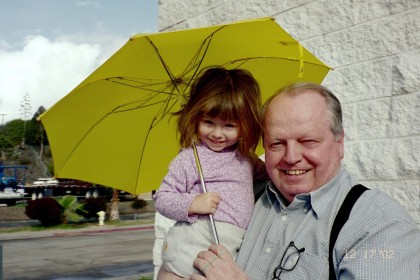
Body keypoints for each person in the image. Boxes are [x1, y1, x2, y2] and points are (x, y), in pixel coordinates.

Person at [191, 82, 420, 279]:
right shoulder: (246, 196)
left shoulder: (378, 226)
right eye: (277, 144)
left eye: (308, 141)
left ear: (340, 143)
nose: (291, 158)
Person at [153, 66, 267, 279]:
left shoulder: (245, 158)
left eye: (229, 126)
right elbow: (163, 198)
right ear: (195, 117)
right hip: (196, 239)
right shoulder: (190, 158)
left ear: (245, 125)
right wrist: (193, 203)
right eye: (208, 123)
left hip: (231, 241)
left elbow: (267, 176)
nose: (217, 134)